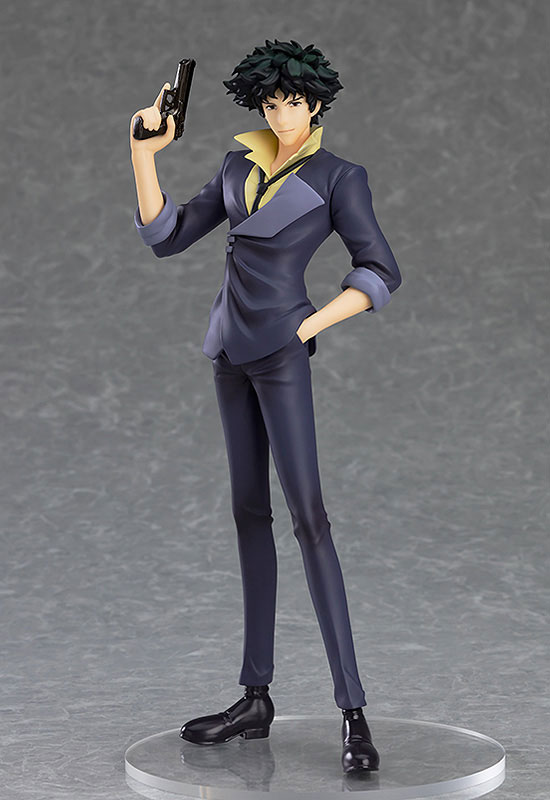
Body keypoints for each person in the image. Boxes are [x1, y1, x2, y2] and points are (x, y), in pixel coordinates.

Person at [130, 38, 402, 774]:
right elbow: (167, 235)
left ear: (316, 104)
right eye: (272, 103)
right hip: (229, 351)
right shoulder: (235, 166)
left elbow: (380, 269)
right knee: (249, 513)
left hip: (282, 355)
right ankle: (255, 697)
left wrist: (309, 326)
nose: (282, 115)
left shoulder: (339, 177)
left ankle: (353, 710)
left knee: (310, 518)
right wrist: (144, 153)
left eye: (294, 102)